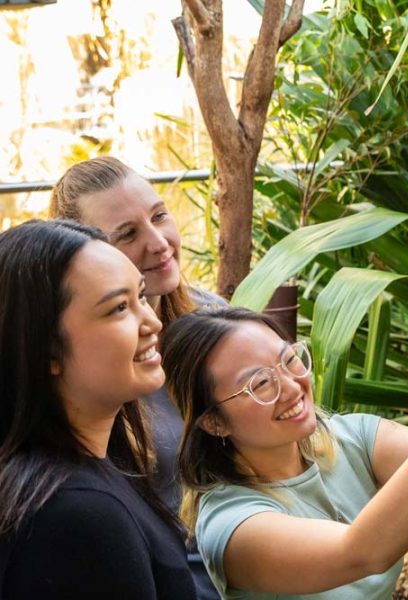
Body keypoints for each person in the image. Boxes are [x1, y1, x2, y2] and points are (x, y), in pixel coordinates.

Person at [160, 306, 408, 599]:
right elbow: (362, 553)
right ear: (214, 423)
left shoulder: (346, 437)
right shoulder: (233, 525)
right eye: (259, 384)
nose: (291, 387)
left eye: (289, 360)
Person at [51, 157, 224, 597]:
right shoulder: (92, 372)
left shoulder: (213, 318)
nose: (158, 242)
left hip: (256, 544)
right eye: (127, 234)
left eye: (160, 216)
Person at [0, 220, 196, 599]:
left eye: (141, 296)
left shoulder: (90, 473)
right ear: (47, 351)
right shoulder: (77, 517)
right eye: (119, 308)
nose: (152, 322)